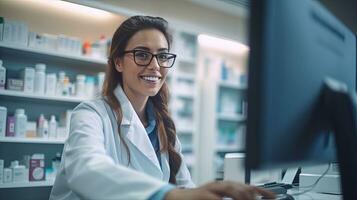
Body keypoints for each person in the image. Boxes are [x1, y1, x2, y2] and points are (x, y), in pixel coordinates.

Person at [49, 15, 274, 200]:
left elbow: (185, 187)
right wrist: (167, 195)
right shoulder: (91, 114)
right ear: (118, 62)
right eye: (142, 54)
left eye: (163, 56)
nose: (155, 66)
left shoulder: (163, 125)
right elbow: (86, 169)